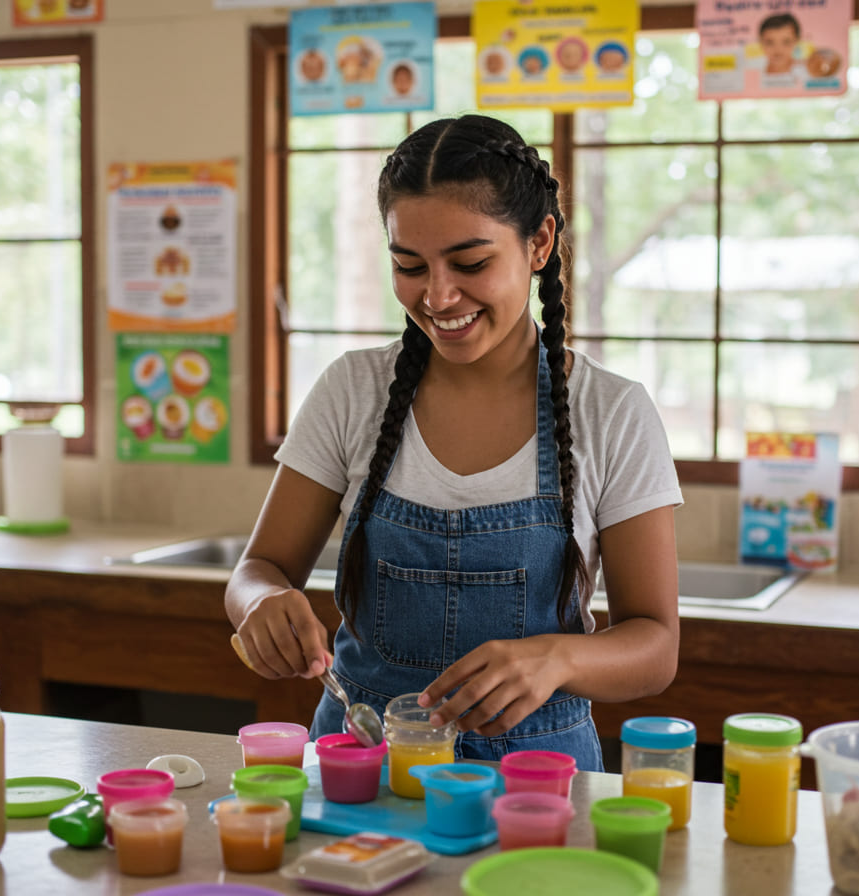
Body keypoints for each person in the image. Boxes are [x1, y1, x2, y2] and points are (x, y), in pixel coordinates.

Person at [225, 114, 682, 772]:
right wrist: (261, 603)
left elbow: (656, 646)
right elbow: (255, 571)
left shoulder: (610, 411)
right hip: (363, 766)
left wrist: (559, 658)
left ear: (540, 242)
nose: (437, 296)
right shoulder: (354, 389)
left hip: (536, 782)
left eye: (470, 263)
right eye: (409, 265)